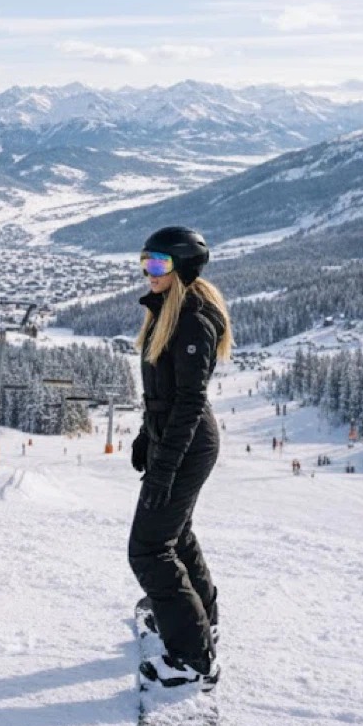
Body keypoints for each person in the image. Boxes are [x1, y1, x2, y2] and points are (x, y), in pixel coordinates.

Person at [129, 225, 233, 691]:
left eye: (159, 264)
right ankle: (201, 621)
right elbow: (165, 394)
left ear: (182, 268)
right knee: (175, 532)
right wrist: (143, 436)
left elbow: (189, 401)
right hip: (174, 438)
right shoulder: (168, 312)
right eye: (145, 262)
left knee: (149, 549)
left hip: (188, 444)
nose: (149, 272)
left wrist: (164, 468)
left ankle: (194, 660)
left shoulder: (191, 319)